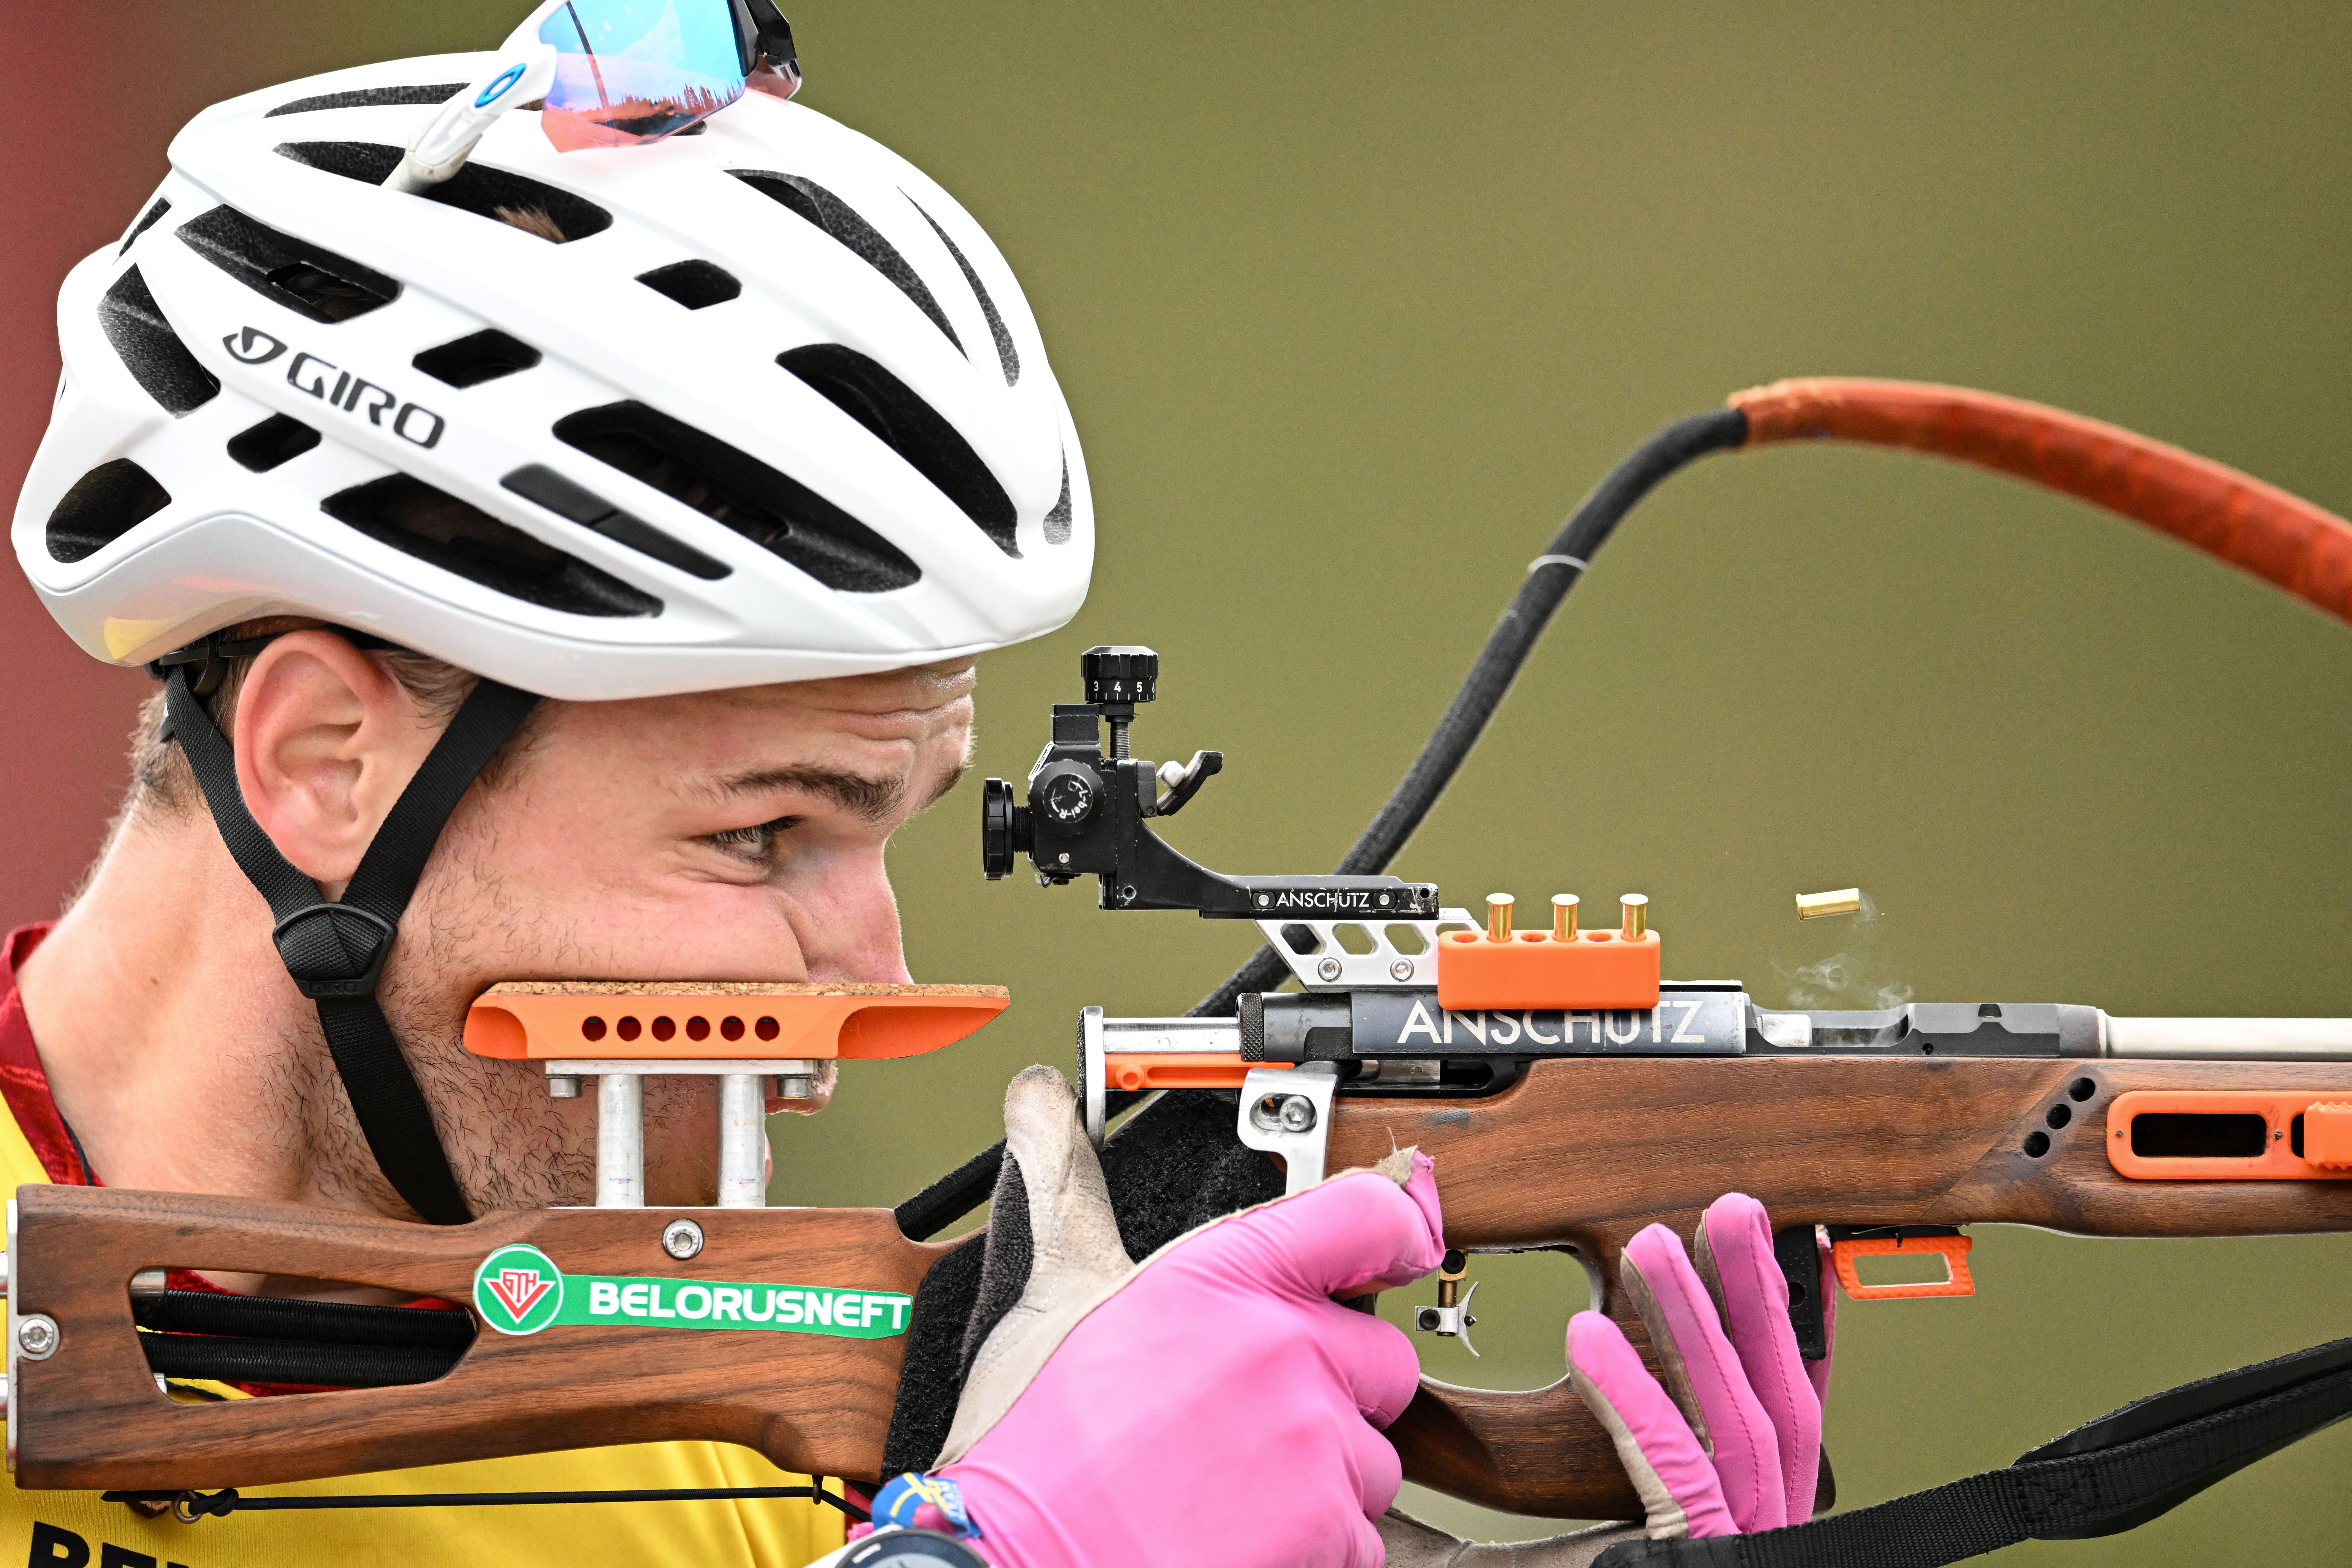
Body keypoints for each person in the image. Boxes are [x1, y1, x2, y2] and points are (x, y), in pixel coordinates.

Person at [7, 14, 1831, 1568]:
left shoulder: (711, 1430)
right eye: (763, 833)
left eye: (888, 825)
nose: (870, 971)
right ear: (325, 763)